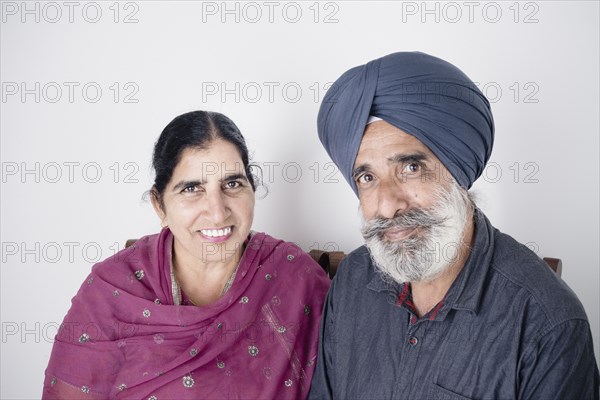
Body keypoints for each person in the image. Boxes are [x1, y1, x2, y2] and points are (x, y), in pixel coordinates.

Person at [309, 52, 599, 399]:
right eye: (367, 176)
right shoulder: (353, 279)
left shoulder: (547, 322)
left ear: (457, 170)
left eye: (411, 168)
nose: (387, 205)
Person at [43, 111, 330, 399]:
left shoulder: (295, 279)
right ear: (159, 205)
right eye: (192, 189)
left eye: (232, 184)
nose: (217, 212)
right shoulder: (112, 292)